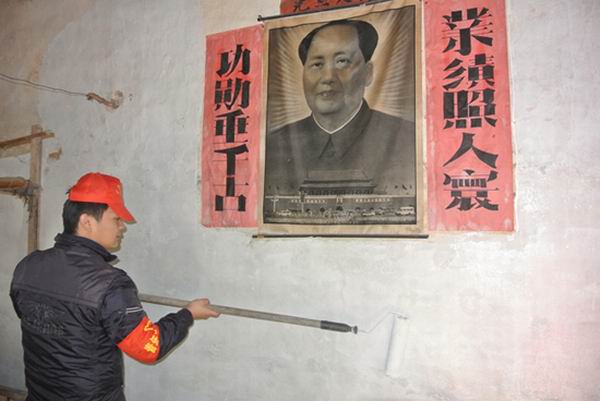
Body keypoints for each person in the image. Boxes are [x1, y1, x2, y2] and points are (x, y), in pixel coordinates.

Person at [10, 172, 220, 401]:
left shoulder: (28, 265)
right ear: (87, 222)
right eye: (116, 219)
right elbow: (149, 348)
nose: (122, 227)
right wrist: (188, 314)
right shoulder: (109, 283)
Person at [265, 19, 415, 198]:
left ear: (368, 73)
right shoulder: (274, 144)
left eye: (342, 61)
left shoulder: (407, 137)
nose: (328, 77)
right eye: (317, 64)